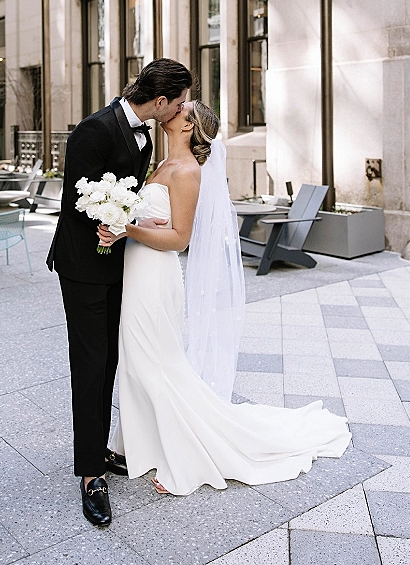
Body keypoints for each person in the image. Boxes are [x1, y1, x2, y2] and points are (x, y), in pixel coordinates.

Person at [98, 100, 351, 496]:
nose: (174, 108)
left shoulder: (186, 171)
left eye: (183, 108)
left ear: (188, 126)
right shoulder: (164, 164)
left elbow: (180, 238)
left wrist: (128, 228)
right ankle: (143, 445)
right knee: (137, 361)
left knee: (152, 364)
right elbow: (154, 219)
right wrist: (130, 219)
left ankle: (184, 458)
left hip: (154, 276)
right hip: (137, 272)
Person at [46, 58, 191, 526]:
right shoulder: (94, 129)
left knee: (110, 359)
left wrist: (134, 224)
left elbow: (126, 196)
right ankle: (90, 475)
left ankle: (99, 448)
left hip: (120, 264)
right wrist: (116, 224)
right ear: (161, 100)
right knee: (90, 364)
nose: (183, 108)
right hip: (85, 268)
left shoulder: (144, 134)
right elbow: (76, 200)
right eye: (181, 100)